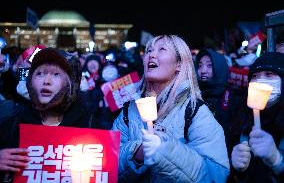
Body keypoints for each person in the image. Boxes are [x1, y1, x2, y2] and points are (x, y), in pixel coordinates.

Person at [112, 35, 229, 182]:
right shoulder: (129, 111)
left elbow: (215, 175)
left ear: (179, 64)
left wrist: (166, 151)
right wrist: (136, 152)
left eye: (161, 49)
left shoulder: (194, 111)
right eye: (149, 50)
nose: (151, 54)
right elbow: (109, 164)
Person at [0, 48, 94, 182]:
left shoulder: (90, 126)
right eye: (39, 74)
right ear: (30, 81)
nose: (47, 81)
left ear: (71, 83)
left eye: (56, 74)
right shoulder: (11, 126)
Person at [228, 52, 284, 183]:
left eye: (269, 74)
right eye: (254, 76)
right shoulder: (241, 118)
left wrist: (277, 160)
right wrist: (237, 170)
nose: (259, 81)